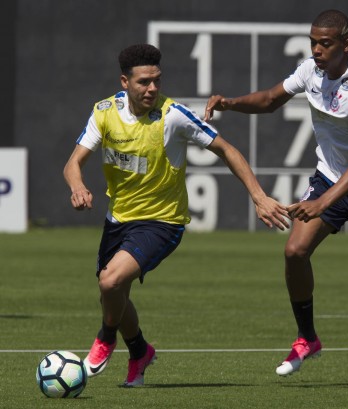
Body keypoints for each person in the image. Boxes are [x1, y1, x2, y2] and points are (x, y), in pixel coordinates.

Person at [63, 44, 289, 387]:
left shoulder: (174, 116)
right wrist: (77, 186)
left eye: (156, 80)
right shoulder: (104, 112)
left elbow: (226, 149)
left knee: (110, 281)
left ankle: (106, 337)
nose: (152, 88)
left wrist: (258, 197)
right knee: (113, 292)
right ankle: (139, 352)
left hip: (162, 222)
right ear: (125, 82)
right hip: (118, 218)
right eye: (143, 82)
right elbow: (73, 163)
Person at [205, 9, 348, 375]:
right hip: (330, 177)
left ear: (346, 44)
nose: (316, 50)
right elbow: (269, 99)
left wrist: (322, 203)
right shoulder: (309, 72)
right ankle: (307, 337)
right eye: (313, 42)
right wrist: (230, 104)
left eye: (325, 43)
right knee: (295, 250)